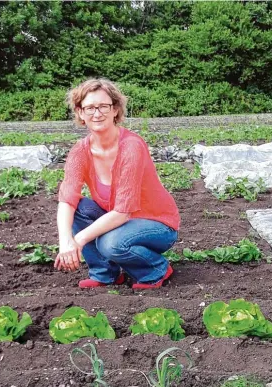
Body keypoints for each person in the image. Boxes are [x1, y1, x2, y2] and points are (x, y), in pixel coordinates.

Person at [54, 78, 180, 290]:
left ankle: (155, 270)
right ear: (80, 113)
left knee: (110, 243)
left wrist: (79, 239)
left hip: (157, 224)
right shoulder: (80, 151)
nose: (97, 113)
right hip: (122, 221)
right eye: (90, 107)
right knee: (78, 209)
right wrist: (65, 241)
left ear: (115, 110)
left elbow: (122, 212)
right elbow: (67, 199)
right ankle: (105, 274)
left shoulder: (131, 147)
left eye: (104, 106)